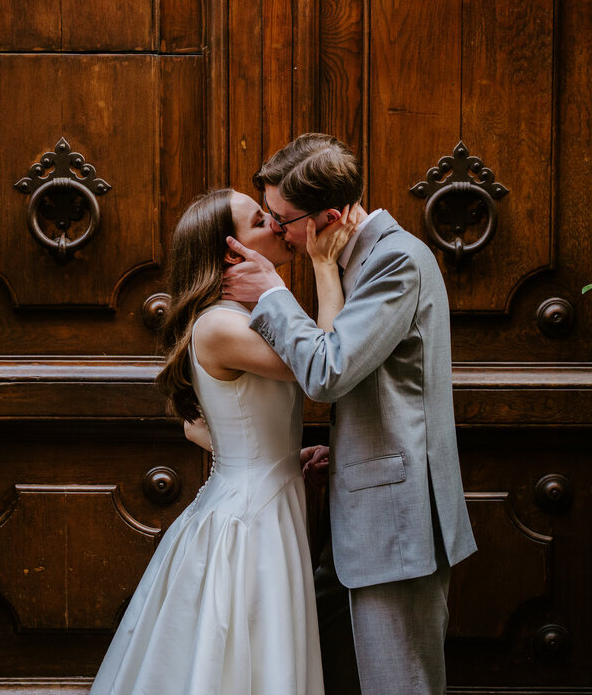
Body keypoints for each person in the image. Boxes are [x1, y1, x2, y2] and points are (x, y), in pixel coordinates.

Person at [222, 134, 478, 695]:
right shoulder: (347, 257)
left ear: (329, 216)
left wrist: (271, 294)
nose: (275, 230)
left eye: (282, 219)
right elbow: (393, 385)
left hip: (395, 526)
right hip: (356, 513)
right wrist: (350, 449)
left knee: (399, 685)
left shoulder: (394, 261)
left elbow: (329, 373)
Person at [90, 188, 354, 695]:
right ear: (232, 250)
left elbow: (203, 425)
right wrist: (323, 267)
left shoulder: (242, 319)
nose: (278, 224)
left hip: (265, 498)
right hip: (250, 523)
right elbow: (326, 363)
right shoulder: (220, 325)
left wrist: (279, 458)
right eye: (261, 220)